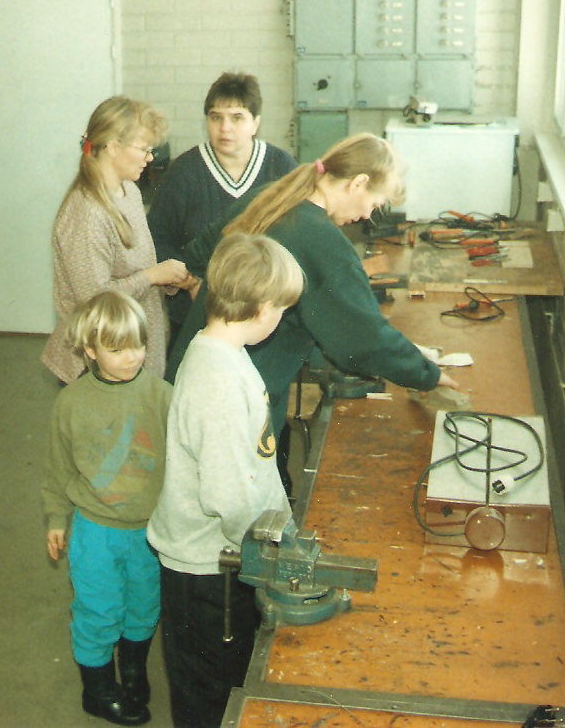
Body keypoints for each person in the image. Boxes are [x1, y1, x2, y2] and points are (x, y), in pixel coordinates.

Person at [165, 133, 460, 490]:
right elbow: (365, 339)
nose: (368, 215)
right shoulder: (323, 242)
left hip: (193, 372)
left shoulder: (269, 195)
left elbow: (198, 255)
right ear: (358, 183)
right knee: (240, 493)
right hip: (240, 400)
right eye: (374, 203)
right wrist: (424, 374)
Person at [147, 232, 304, 728]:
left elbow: (252, 463)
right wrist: (271, 551)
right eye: (281, 309)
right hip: (208, 572)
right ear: (261, 307)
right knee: (209, 696)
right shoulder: (217, 379)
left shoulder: (225, 354)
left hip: (223, 555)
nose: (280, 318)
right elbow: (228, 493)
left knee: (220, 684)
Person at [43, 290, 172, 727]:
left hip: (150, 531)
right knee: (98, 609)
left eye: (138, 345)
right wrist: (57, 518)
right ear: (89, 350)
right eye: (117, 350)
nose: (132, 357)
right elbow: (58, 467)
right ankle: (97, 691)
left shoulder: (162, 396)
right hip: (95, 530)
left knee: (144, 606)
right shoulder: (71, 403)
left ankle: (132, 671)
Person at [41, 96, 195, 383]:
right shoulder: (87, 213)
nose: (150, 158)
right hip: (99, 368)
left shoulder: (129, 191)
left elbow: (137, 268)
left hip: (132, 356)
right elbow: (95, 301)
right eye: (144, 149)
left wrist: (167, 278)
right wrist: (152, 276)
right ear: (112, 146)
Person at [146, 72, 297, 336]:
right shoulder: (183, 172)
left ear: (255, 123)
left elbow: (297, 238)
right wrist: (191, 283)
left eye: (237, 118)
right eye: (216, 117)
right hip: (195, 310)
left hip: (266, 313)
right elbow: (157, 241)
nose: (225, 128)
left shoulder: (280, 167)